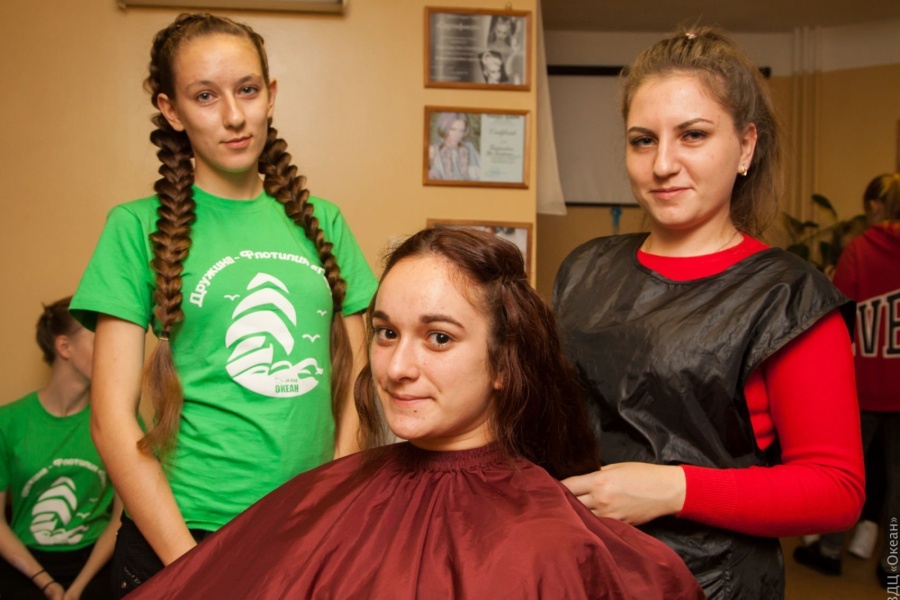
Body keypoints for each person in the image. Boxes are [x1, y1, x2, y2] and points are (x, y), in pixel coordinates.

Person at [125, 227, 704, 599]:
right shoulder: (324, 497)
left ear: (504, 363)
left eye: (439, 338)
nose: (398, 367)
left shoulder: (548, 544)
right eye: (386, 333)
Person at [69, 13, 377, 595]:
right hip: (182, 536)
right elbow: (110, 419)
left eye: (248, 90)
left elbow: (362, 384)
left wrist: (330, 510)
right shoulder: (134, 227)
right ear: (171, 110)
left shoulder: (325, 222)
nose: (234, 116)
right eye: (205, 96)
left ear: (271, 94)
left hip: (303, 535)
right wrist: (194, 568)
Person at [552, 26, 864, 599]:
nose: (662, 164)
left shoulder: (788, 296)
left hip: (712, 584)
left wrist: (674, 490)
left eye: (692, 135)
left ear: (745, 146)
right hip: (579, 571)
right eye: (643, 140)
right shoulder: (584, 269)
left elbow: (835, 490)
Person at [794, 173, 900, 587]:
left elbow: (838, 315)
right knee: (897, 480)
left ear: (874, 206)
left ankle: (830, 549)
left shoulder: (859, 249)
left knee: (846, 473)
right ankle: (892, 564)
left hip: (865, 383)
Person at [0, 296, 122, 600]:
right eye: (99, 341)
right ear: (64, 347)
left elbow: (123, 519)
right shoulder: (9, 422)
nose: (113, 352)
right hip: (26, 563)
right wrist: (47, 584)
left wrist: (78, 588)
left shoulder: (119, 421)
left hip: (95, 562)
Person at [428, 112, 481, 181]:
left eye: (461, 130)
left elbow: (480, 173)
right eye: (453, 129)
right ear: (444, 127)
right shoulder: (434, 151)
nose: (457, 135)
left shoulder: (469, 148)